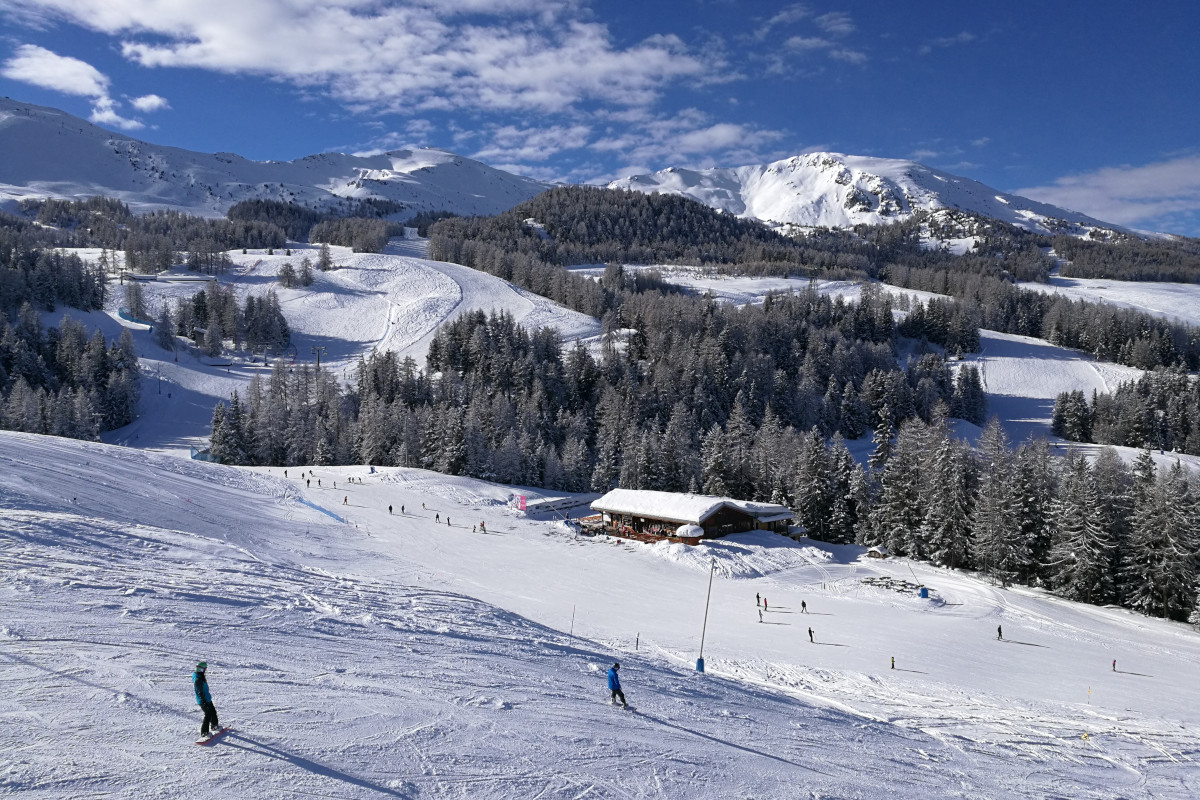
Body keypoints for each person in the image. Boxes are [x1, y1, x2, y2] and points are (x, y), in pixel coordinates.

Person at [192, 661, 220, 737]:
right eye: (204, 669)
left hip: (207, 698)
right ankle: (204, 732)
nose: (205, 671)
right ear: (201, 669)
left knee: (213, 711)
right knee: (207, 714)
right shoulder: (198, 679)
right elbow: (199, 692)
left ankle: (214, 726)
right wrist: (203, 701)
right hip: (203, 700)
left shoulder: (200, 676)